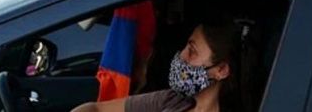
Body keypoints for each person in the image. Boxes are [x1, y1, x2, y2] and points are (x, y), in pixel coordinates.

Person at [74, 17, 262, 112]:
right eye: (186, 47)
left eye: (192, 51)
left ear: (221, 70)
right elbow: (95, 109)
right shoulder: (173, 101)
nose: (182, 56)